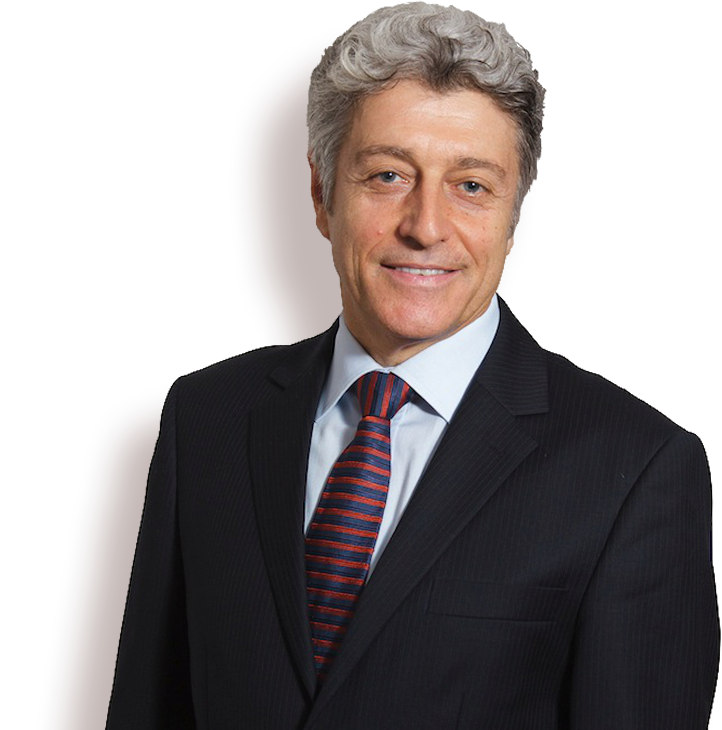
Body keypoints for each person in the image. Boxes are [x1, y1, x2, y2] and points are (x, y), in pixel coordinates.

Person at [107, 5, 718, 729]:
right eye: (388, 175)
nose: (425, 226)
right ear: (322, 196)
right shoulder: (204, 418)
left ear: (516, 217)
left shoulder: (634, 467)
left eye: (471, 185)